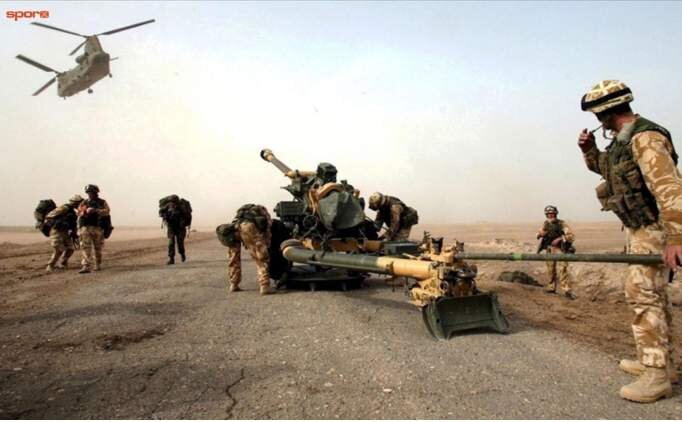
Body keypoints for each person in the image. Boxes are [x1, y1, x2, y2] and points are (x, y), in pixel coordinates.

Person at [579, 80, 682, 402]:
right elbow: (608, 170)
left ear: (605, 113)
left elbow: (669, 189)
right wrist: (589, 151)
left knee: (643, 295)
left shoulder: (645, 138)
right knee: (652, 295)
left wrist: (676, 237)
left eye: (598, 116)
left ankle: (656, 375)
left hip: (654, 229)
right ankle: (661, 363)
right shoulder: (623, 142)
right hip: (641, 229)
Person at [223, 204, 275, 295]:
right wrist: (266, 244)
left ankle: (233, 284)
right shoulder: (262, 211)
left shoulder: (243, 211)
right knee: (261, 257)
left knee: (234, 258)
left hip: (235, 228)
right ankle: (264, 286)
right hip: (249, 228)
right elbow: (268, 227)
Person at [536, 205, 576, 299]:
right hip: (550, 249)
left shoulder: (562, 224)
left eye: (552, 213)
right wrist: (540, 234)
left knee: (563, 269)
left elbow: (571, 236)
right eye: (548, 214)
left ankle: (567, 290)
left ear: (556, 214)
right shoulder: (546, 224)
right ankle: (551, 287)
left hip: (560, 249)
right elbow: (539, 233)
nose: (551, 215)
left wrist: (560, 239)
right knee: (550, 269)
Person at [77, 184, 110, 274]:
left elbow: (107, 211)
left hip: (97, 227)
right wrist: (85, 211)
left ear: (96, 192)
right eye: (88, 192)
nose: (90, 194)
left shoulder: (102, 202)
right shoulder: (84, 202)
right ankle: (85, 266)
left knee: (98, 247)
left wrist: (96, 210)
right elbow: (79, 212)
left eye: (91, 192)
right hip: (85, 227)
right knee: (85, 247)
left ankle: (97, 264)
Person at [44, 195, 82, 272]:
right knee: (59, 250)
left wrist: (74, 233)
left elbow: (73, 224)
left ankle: (63, 263)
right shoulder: (64, 208)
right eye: (79, 203)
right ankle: (50, 265)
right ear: (75, 202)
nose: (80, 205)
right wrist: (55, 224)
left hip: (65, 232)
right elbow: (49, 216)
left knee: (70, 249)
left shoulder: (73, 212)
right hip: (56, 231)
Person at [159, 196, 191, 265]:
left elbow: (186, 216)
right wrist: (164, 216)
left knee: (180, 243)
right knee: (171, 243)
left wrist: (183, 222)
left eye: (173, 202)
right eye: (171, 202)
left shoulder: (181, 207)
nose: (172, 204)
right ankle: (171, 259)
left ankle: (182, 254)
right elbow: (161, 212)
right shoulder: (167, 206)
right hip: (171, 227)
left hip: (180, 227)